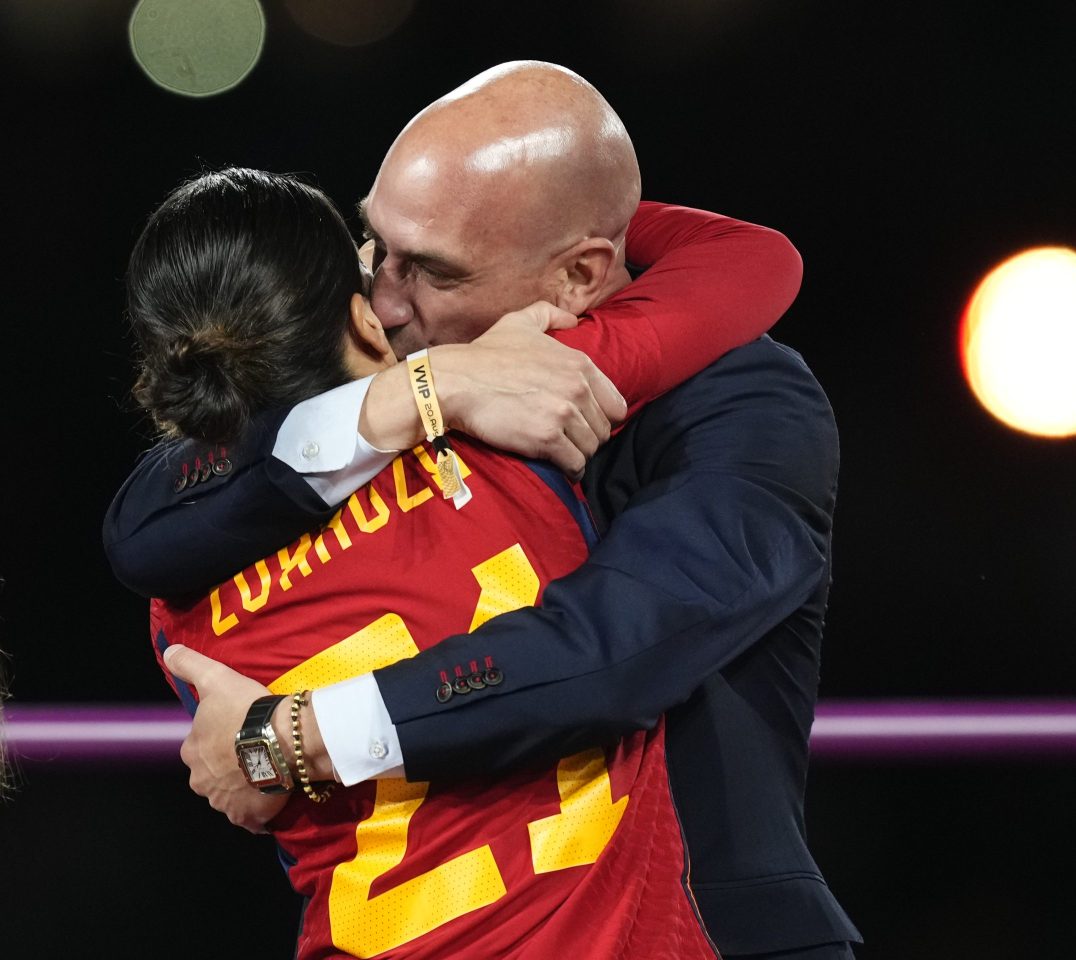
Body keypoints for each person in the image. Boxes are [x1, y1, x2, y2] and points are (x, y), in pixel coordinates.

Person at [107, 61, 859, 958]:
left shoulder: (745, 403)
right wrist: (420, 391)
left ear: (577, 274)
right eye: (374, 246)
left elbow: (613, 653)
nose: (385, 301)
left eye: (431, 269)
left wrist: (292, 738)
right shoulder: (396, 405)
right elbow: (143, 521)